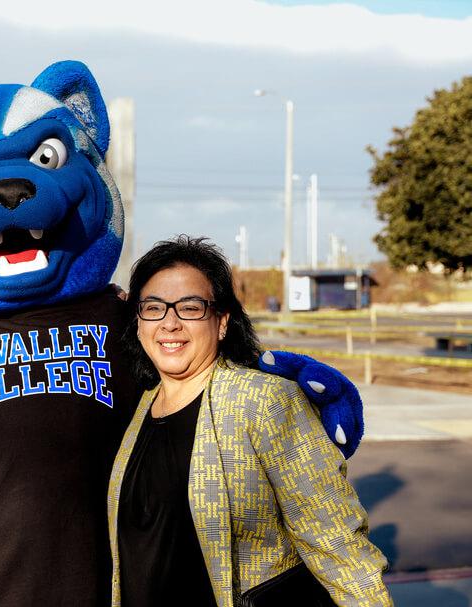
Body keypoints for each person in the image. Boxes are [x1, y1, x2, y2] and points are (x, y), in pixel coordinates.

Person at [107, 236, 392, 607]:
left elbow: (336, 540)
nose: (170, 323)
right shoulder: (138, 407)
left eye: (190, 308)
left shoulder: (266, 401)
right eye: (154, 307)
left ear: (222, 321)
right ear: (138, 320)